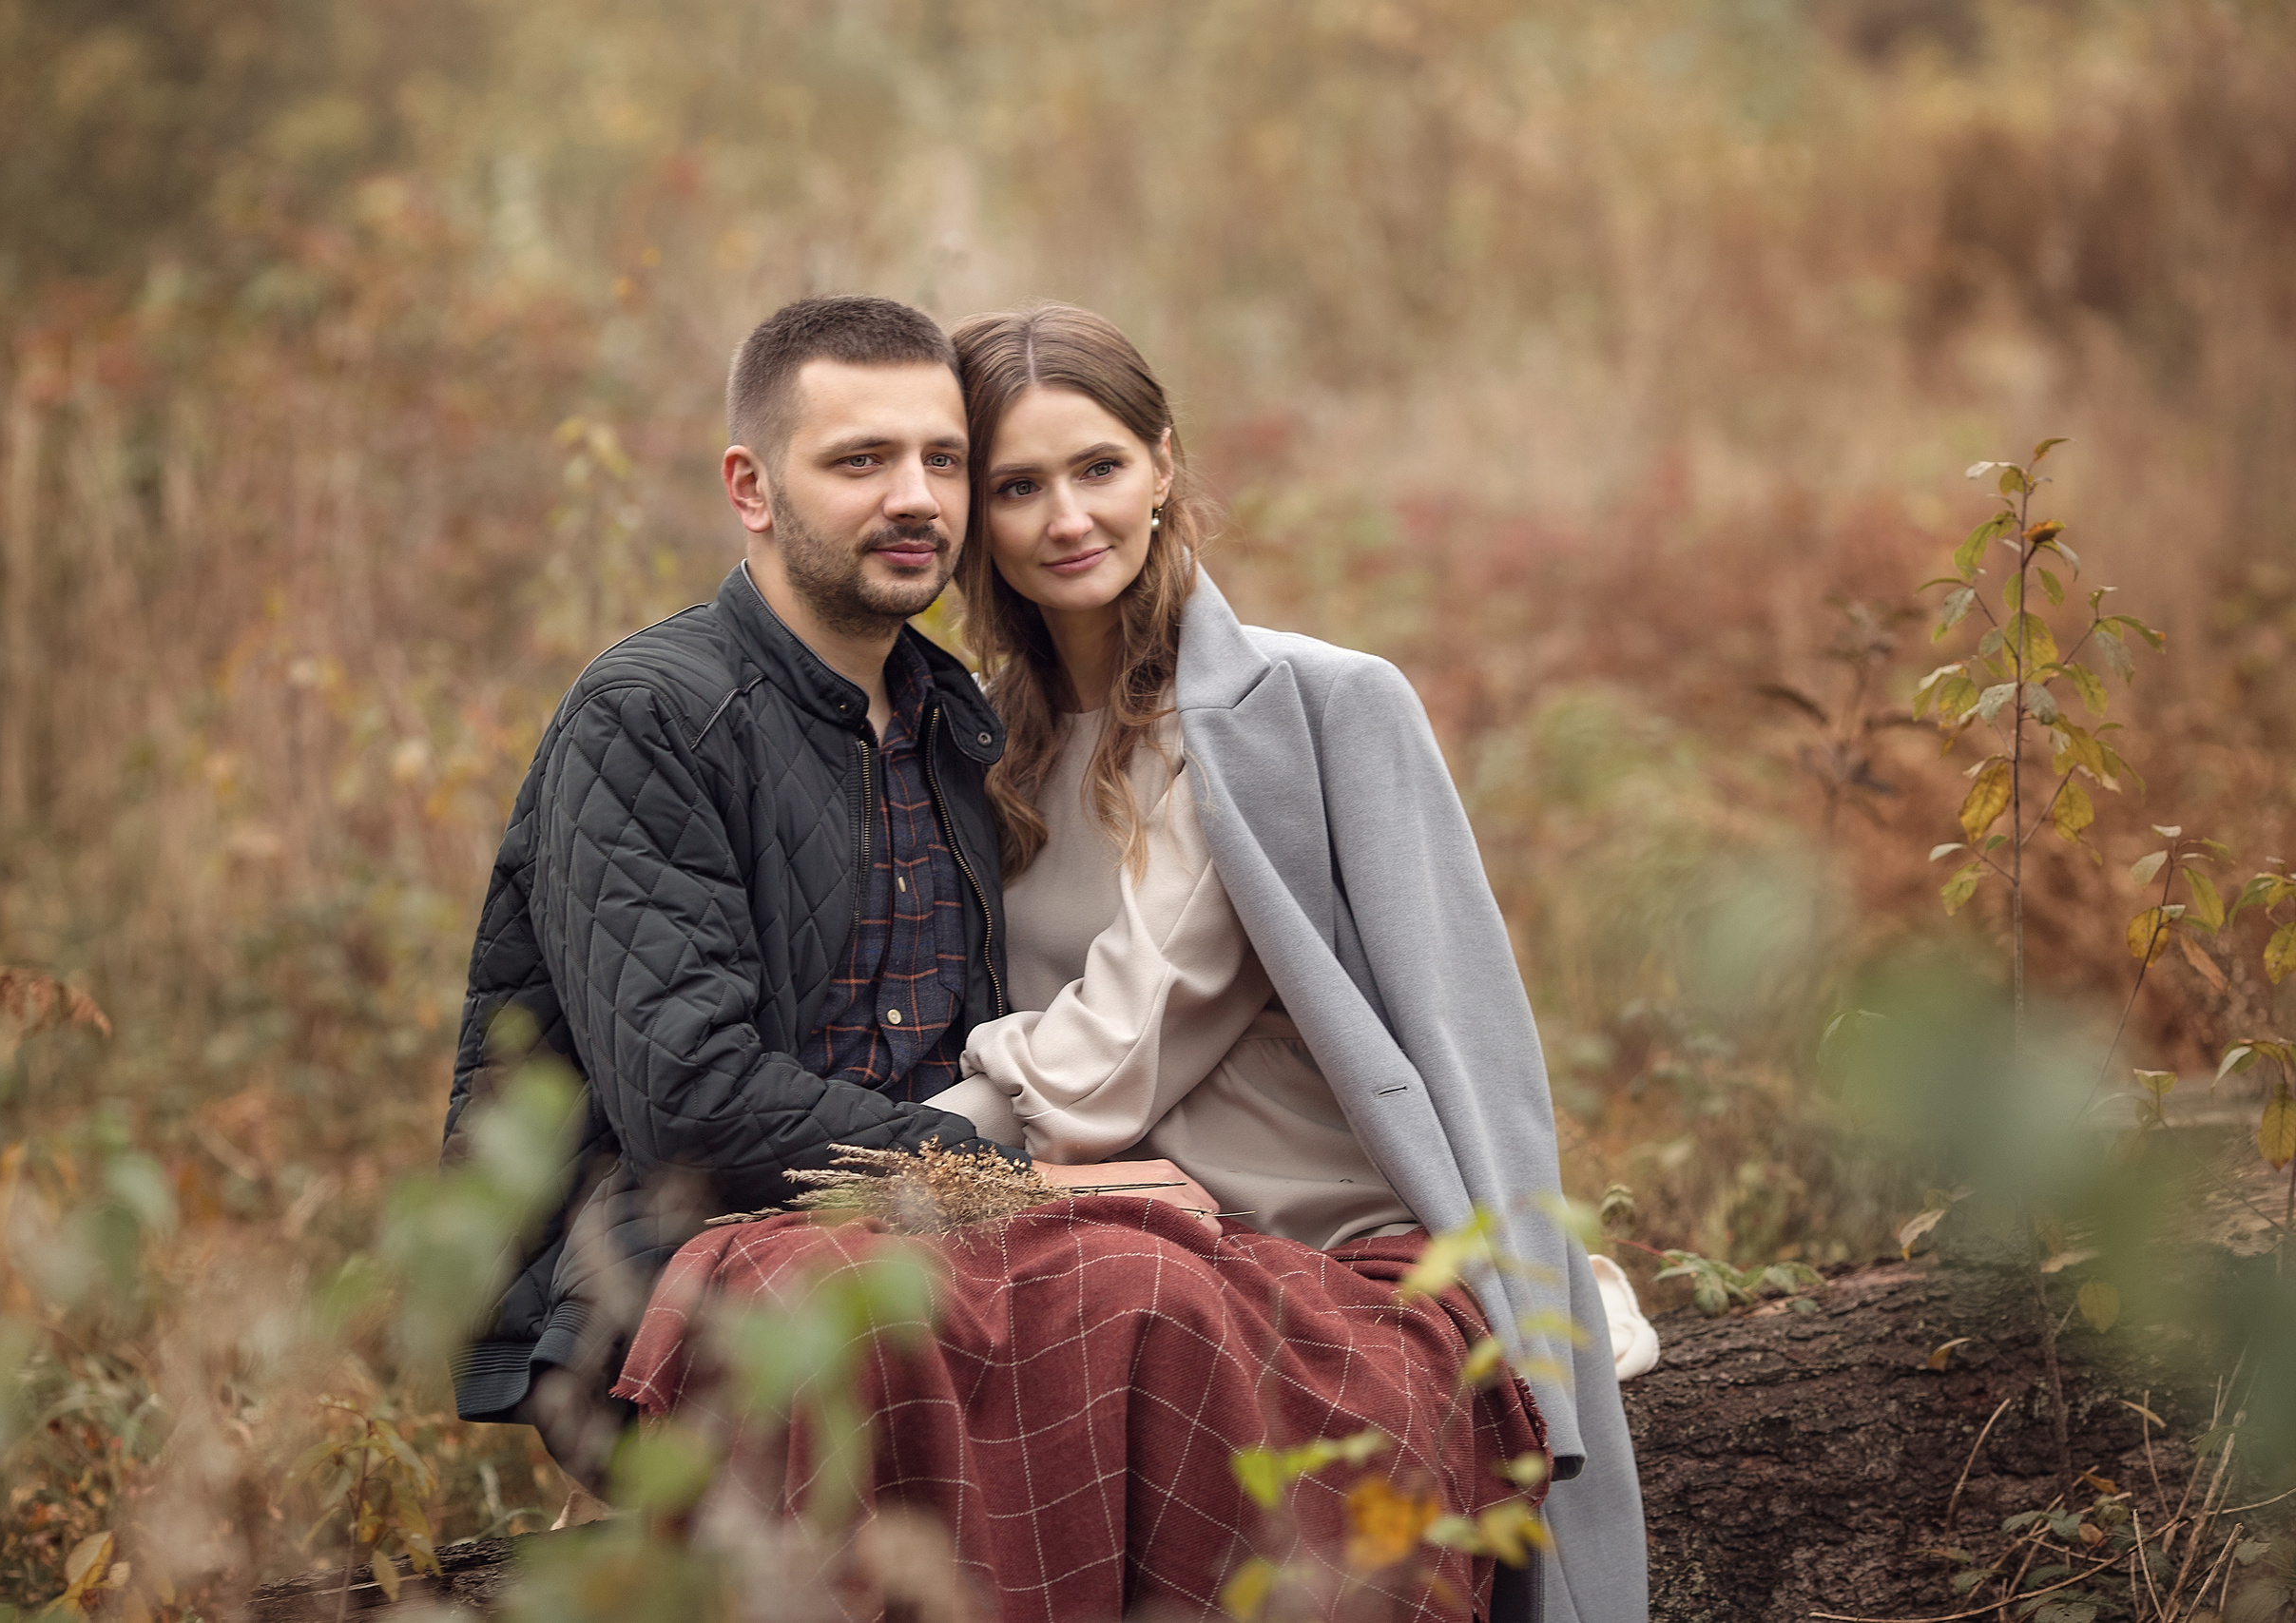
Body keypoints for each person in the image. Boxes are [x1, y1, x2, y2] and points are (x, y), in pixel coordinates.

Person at [615, 304, 1648, 1623]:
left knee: (1066, 1303)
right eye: (1017, 486)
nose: (1065, 519)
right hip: (1100, 1236)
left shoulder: (1296, 711)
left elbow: (1114, 1067)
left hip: (1316, 1254)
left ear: (1164, 463)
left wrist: (888, 1156)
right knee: (830, 1319)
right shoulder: (979, 747)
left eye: (1098, 467)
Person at [441, 295, 1221, 1486]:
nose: (916, 497)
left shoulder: (951, 718)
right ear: (751, 487)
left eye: (943, 461)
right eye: (860, 460)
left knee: (1212, 1313)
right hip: (673, 1271)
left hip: (925, 1249)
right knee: (1106, 1296)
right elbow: (693, 1102)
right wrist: (1027, 1184)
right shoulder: (652, 717)